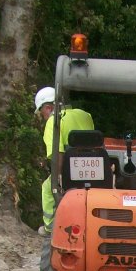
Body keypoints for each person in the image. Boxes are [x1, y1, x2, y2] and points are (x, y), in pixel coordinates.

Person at [35, 86, 95, 234]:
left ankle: (51, 228)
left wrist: (58, 177)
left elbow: (58, 154)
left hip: (71, 172)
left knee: (47, 188)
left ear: (48, 108)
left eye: (42, 113)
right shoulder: (85, 115)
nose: (43, 117)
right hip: (95, 171)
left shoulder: (53, 122)